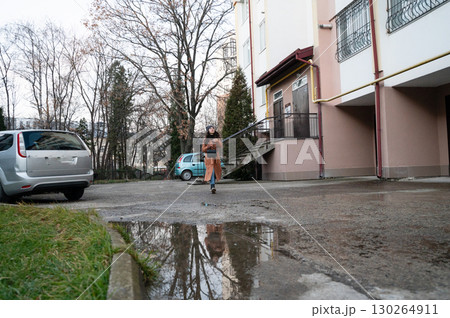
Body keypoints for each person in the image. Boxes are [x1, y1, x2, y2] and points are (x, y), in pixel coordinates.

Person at [202, 125, 222, 194]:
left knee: (216, 171)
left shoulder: (217, 137)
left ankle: (212, 185)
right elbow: (203, 149)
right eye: (210, 128)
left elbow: (220, 146)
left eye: (213, 128)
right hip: (209, 157)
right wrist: (208, 146)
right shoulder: (205, 139)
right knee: (211, 171)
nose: (212, 129)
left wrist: (217, 141)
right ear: (208, 130)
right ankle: (212, 186)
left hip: (216, 157)